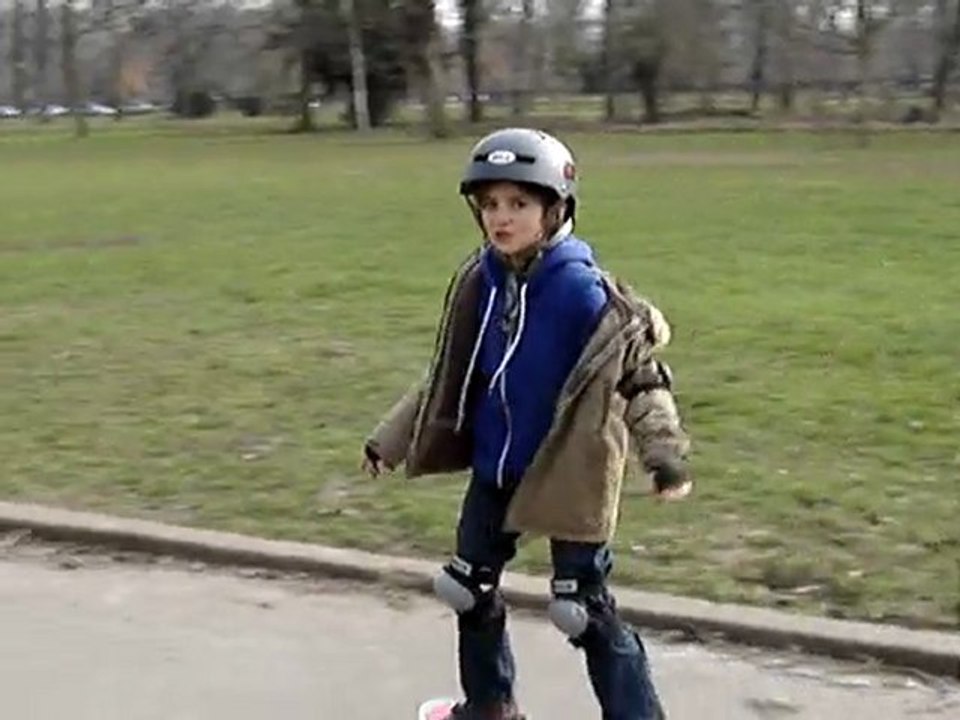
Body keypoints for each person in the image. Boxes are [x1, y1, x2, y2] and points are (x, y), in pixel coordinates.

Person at [362, 128, 691, 720]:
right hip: (497, 467)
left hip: (569, 476)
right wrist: (390, 440)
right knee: (466, 587)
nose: (501, 217)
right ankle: (490, 706)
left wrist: (664, 457)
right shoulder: (484, 282)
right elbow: (450, 373)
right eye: (490, 204)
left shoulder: (582, 293)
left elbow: (643, 379)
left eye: (518, 203)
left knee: (581, 610)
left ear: (555, 209)